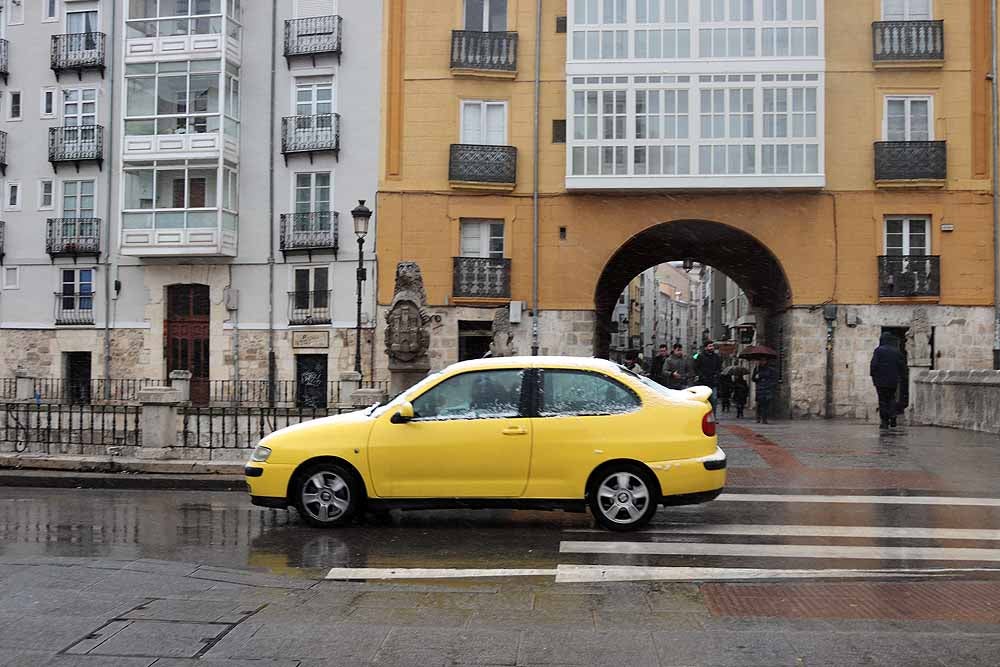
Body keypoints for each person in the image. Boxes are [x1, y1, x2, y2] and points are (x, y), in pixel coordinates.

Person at [870, 331, 906, 429]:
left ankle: (884, 421)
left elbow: (874, 365)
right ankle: (893, 416)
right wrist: (901, 377)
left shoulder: (878, 350)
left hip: (880, 380)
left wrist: (873, 376)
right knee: (891, 398)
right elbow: (902, 366)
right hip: (893, 380)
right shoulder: (897, 351)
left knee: (882, 400)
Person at [693, 341, 722, 414]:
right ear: (705, 348)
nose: (712, 347)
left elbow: (719, 367)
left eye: (712, 346)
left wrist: (717, 375)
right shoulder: (700, 356)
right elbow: (696, 368)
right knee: (704, 400)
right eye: (710, 346)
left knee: (714, 399)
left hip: (713, 382)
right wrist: (701, 376)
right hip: (703, 382)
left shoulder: (716, 357)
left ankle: (713, 416)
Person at [752, 359, 779, 424]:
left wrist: (770, 385)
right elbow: (753, 379)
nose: (761, 362)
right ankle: (758, 417)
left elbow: (774, 379)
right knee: (759, 404)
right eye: (760, 360)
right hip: (759, 389)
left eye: (763, 360)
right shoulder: (757, 369)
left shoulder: (770, 370)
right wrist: (756, 377)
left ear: (766, 361)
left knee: (766, 405)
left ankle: (764, 418)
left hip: (767, 389)